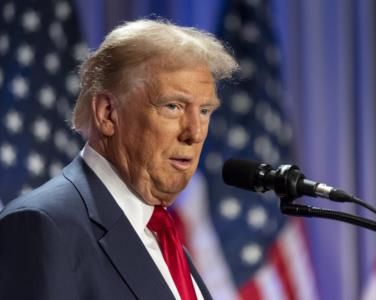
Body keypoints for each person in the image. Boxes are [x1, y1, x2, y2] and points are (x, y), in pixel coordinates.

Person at [0, 19, 238, 299]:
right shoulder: (42, 227)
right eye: (173, 106)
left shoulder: (161, 235)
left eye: (205, 111)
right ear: (107, 113)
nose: (194, 133)